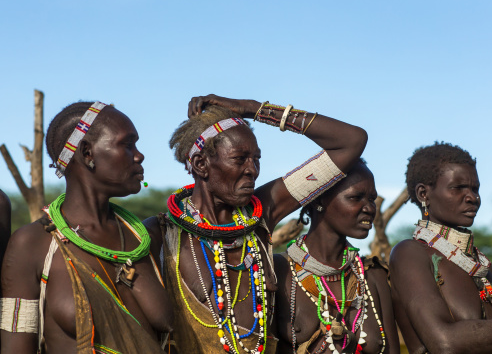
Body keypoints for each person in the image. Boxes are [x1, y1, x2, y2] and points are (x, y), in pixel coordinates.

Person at [144, 94, 368, 354]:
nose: (253, 170)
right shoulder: (162, 234)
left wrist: (253, 109)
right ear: (200, 164)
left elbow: (351, 142)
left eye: (256, 159)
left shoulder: (261, 214)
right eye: (240, 159)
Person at [1, 102, 172, 353]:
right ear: (87, 153)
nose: (139, 155)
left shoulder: (144, 238)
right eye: (127, 144)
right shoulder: (34, 244)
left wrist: (251, 110)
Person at [390, 142, 492, 354]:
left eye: (475, 188)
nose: (473, 198)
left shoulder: (481, 263)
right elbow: (444, 342)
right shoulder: (409, 254)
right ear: (423, 194)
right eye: (458, 188)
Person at [274, 159, 399, 354]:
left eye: (372, 199)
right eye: (356, 197)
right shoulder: (278, 270)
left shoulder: (373, 275)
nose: (369, 208)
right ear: (320, 199)